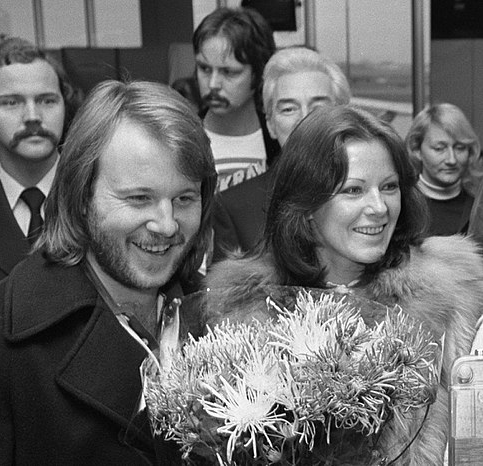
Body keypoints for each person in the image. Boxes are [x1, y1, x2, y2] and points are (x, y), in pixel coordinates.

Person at [205, 105, 483, 464]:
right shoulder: (244, 312)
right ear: (305, 203)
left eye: (389, 187)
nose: (379, 207)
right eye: (353, 190)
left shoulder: (456, 293)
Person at [0, 80, 217, 465]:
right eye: (139, 198)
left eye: (184, 198)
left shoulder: (221, 320)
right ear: (81, 195)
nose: (167, 224)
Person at [212, 47, 351, 261]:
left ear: (344, 117)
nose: (305, 119)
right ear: (270, 125)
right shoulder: (235, 208)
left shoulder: (375, 197)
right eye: (288, 109)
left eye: (318, 107)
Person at [0, 37, 81, 289]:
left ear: (65, 105)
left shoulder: (97, 195)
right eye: (11, 102)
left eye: (47, 100)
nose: (33, 117)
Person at [193, 7, 278, 192]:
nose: (213, 84)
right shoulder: (180, 138)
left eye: (229, 72)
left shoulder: (280, 139)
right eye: (204, 69)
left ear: (259, 72)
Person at [406, 103, 481, 236]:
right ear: (417, 149)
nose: (451, 160)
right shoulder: (402, 205)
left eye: (460, 148)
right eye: (439, 149)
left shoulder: (477, 207)